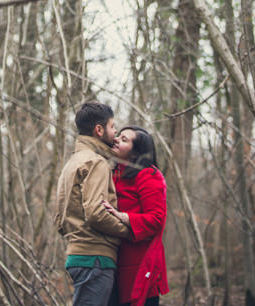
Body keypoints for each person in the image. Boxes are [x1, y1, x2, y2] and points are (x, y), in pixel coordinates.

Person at [54, 101, 131, 306]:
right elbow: (96, 213)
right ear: (99, 130)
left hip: (78, 256)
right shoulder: (96, 162)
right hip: (95, 258)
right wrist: (127, 230)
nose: (115, 133)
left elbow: (59, 218)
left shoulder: (73, 162)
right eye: (113, 127)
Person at [103, 125, 169, 306]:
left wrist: (122, 216)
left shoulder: (149, 175)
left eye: (124, 139)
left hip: (139, 263)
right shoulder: (115, 173)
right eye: (118, 136)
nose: (116, 139)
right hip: (114, 258)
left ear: (135, 153)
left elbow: (157, 219)